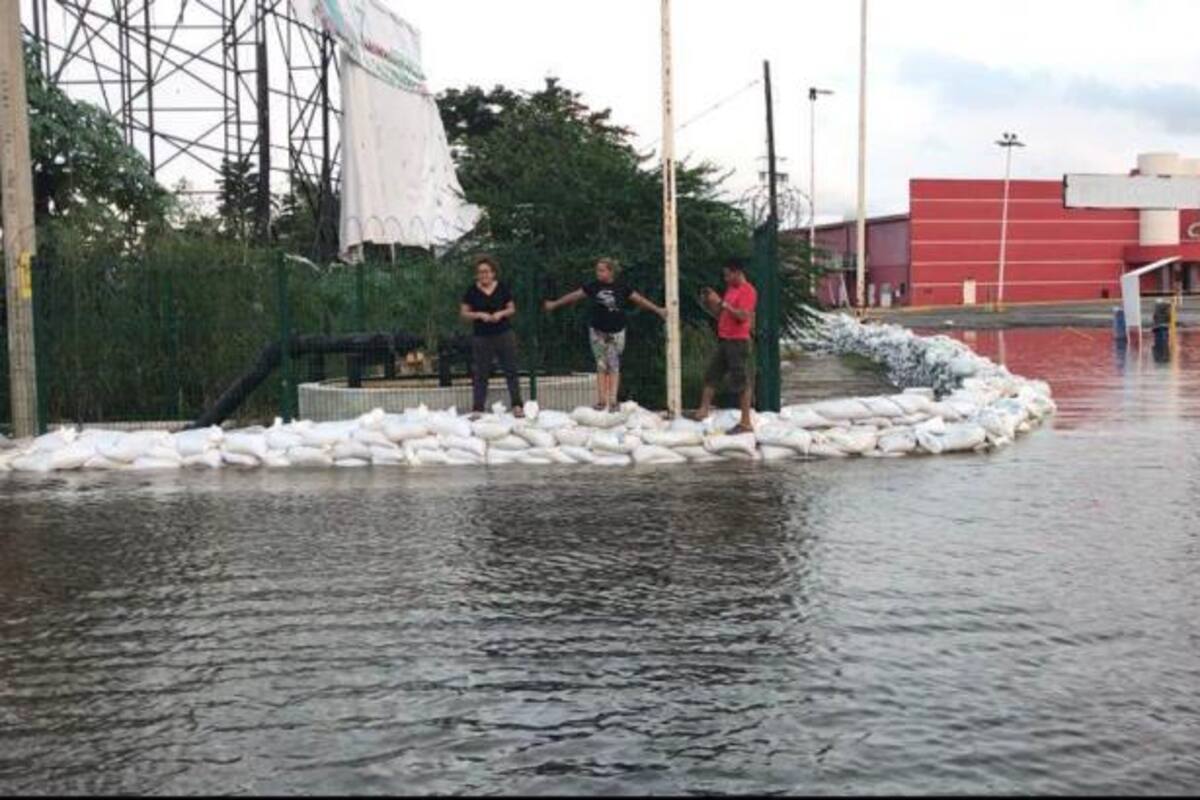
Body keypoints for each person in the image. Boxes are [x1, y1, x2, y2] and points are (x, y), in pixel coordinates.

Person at [543, 258, 667, 411]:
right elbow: (574, 296)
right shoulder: (593, 287)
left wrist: (658, 310)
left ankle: (613, 400)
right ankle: (602, 400)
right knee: (601, 364)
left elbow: (639, 300)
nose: (598, 273)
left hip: (617, 331)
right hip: (598, 331)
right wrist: (555, 304)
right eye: (597, 270)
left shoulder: (621, 287)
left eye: (602, 270)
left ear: (610, 272)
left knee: (614, 364)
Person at [693, 258, 758, 434]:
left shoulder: (748, 291)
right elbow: (722, 314)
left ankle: (745, 422)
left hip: (738, 342)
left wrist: (722, 303)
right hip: (725, 339)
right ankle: (703, 410)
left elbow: (743, 316)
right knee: (711, 374)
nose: (726, 279)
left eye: (728, 275)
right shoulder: (731, 289)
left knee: (740, 380)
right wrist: (711, 302)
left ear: (737, 273)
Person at [460, 255, 525, 419]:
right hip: (482, 336)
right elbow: (464, 313)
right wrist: (478, 315)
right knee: (481, 372)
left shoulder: (502, 288)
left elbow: (512, 308)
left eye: (487, 272)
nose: (484, 275)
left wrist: (500, 314)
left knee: (510, 369)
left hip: (503, 333)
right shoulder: (471, 291)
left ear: (493, 273)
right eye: (481, 272)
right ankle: (478, 407)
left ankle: (517, 405)